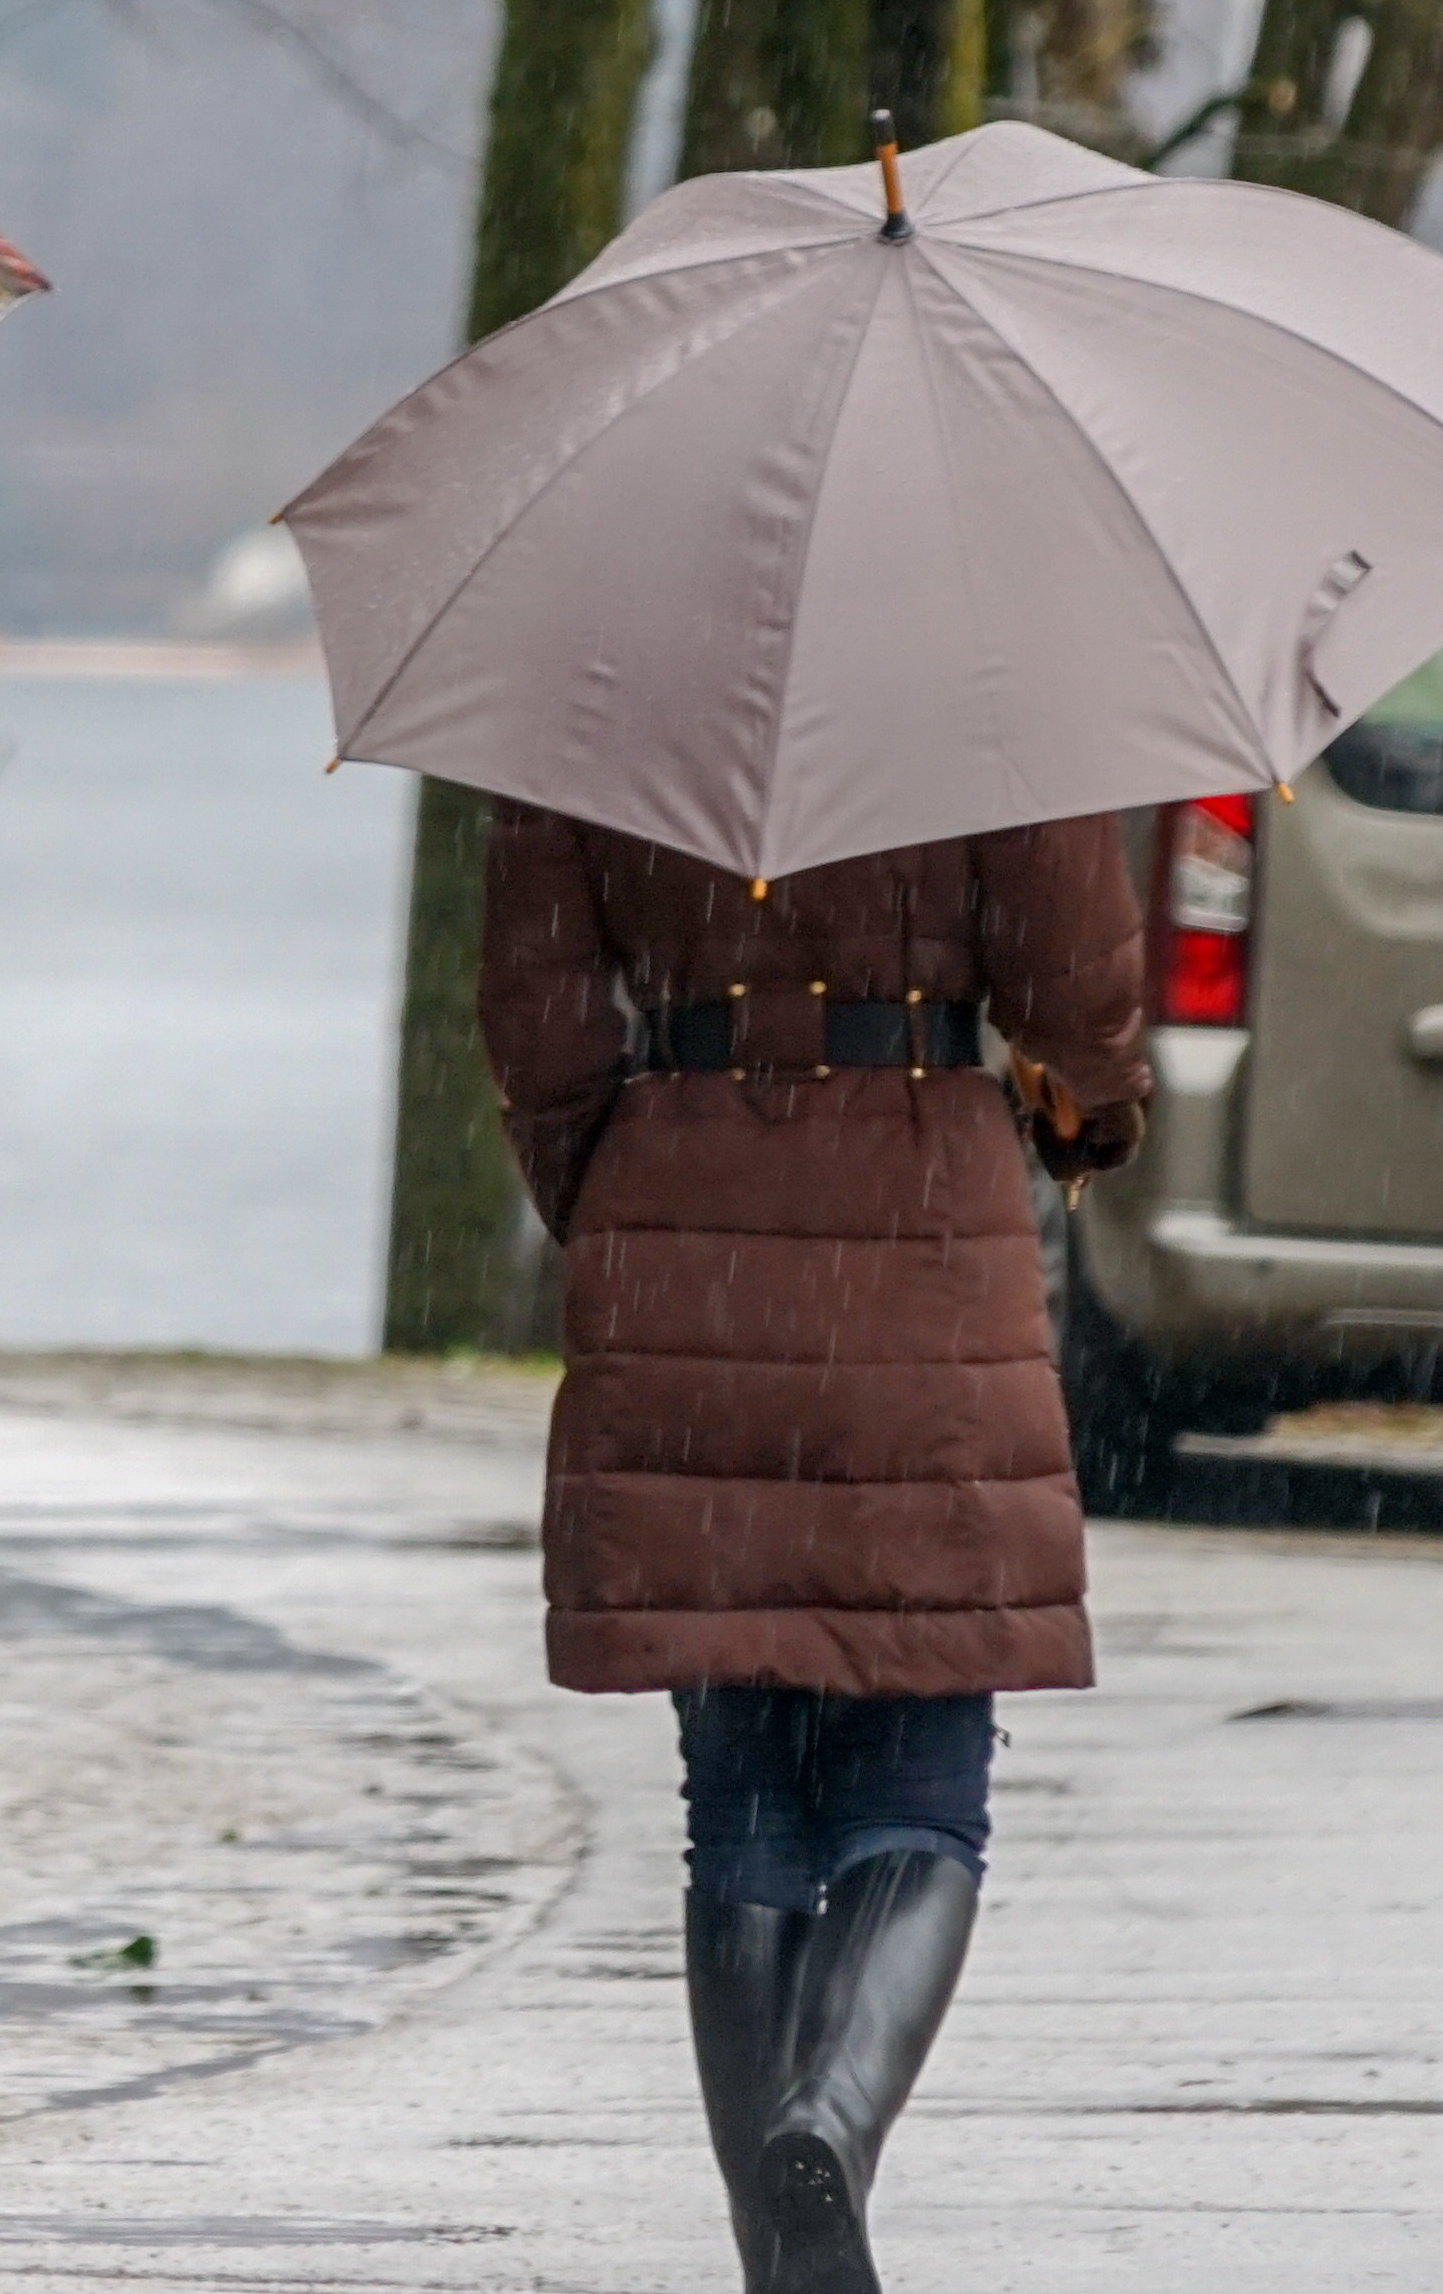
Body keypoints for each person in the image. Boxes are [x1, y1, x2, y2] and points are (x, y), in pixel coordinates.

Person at [472, 804, 1151, 2294]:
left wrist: (625, 1186)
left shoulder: (600, 675)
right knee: (923, 1785)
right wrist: (1093, 1102)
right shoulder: (986, 672)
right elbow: (1071, 987)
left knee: (742, 1802)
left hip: (685, 1236)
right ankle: (829, 2129)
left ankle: (779, 2260)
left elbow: (537, 1015)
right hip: (921, 1247)